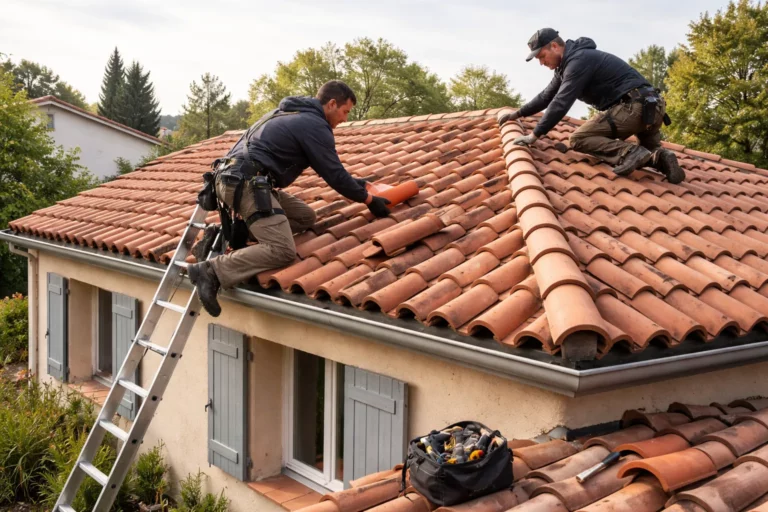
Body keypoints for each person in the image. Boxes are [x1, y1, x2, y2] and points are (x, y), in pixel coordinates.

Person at [188, 80, 391, 317]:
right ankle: (210, 272)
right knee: (282, 250)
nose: (345, 119)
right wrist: (369, 200)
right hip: (246, 184)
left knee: (305, 216)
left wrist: (361, 185)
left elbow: (332, 171)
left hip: (236, 179)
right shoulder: (314, 125)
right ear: (332, 103)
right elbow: (334, 174)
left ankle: (228, 233)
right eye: (345, 112)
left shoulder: (288, 112)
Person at [499, 28, 684, 184]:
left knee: (579, 138)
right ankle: (661, 159)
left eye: (542, 56)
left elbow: (561, 101)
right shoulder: (568, 65)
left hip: (633, 108)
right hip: (654, 107)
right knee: (649, 151)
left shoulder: (578, 61)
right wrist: (518, 114)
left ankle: (630, 152)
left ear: (554, 46)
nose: (541, 62)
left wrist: (534, 135)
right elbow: (546, 96)